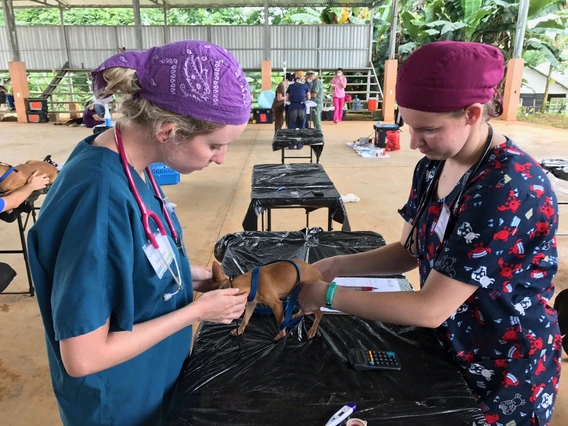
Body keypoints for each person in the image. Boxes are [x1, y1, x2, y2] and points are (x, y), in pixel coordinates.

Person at [298, 41, 561, 426]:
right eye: (408, 125)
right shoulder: (433, 167)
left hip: (501, 364)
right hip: (447, 346)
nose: (413, 142)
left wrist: (327, 294)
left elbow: (431, 308)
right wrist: (335, 265)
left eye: (428, 129)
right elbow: (410, 251)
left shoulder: (507, 186)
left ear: (472, 114)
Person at [27, 40, 250, 426]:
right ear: (168, 131)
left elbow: (132, 262)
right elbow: (83, 357)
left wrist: (190, 277)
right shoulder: (98, 196)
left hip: (153, 382)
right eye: (215, 145)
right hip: (121, 404)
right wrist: (196, 313)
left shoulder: (134, 164)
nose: (220, 158)